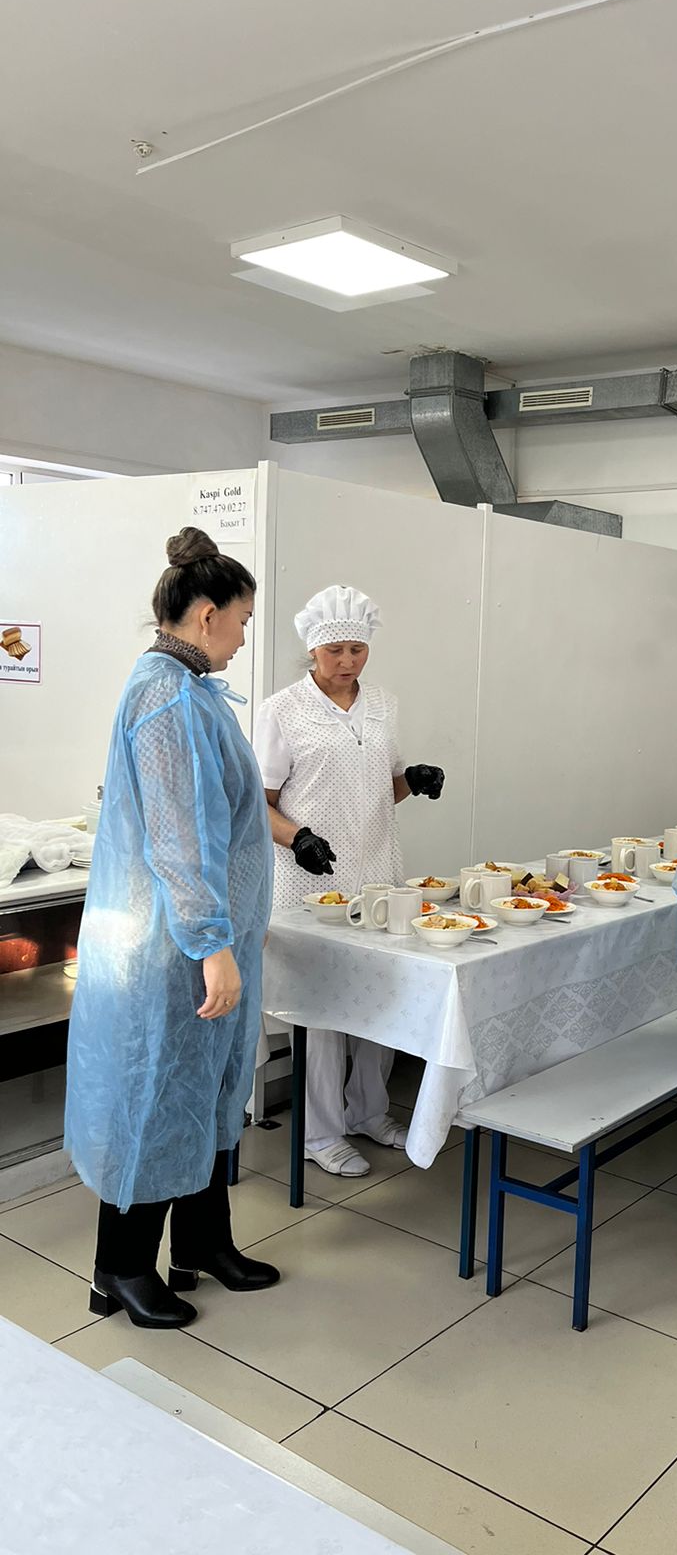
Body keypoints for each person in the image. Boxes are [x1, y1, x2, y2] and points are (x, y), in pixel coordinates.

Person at [65, 528, 277, 1331]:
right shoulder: (167, 699)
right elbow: (181, 838)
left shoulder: (189, 689)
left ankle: (202, 1244)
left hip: (200, 935)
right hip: (175, 945)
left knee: (209, 1094)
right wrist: (211, 944)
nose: (245, 636)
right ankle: (119, 1268)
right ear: (207, 614)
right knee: (157, 1098)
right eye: (243, 619)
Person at [254, 585, 445, 1178]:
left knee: (382, 995)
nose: (347, 661)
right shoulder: (282, 710)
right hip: (309, 885)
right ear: (313, 650)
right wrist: (298, 839)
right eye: (335, 650)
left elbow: (380, 787)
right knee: (323, 1006)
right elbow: (259, 803)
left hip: (378, 873)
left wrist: (412, 779)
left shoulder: (383, 704)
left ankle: (368, 1111)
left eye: (357, 650)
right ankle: (320, 1131)